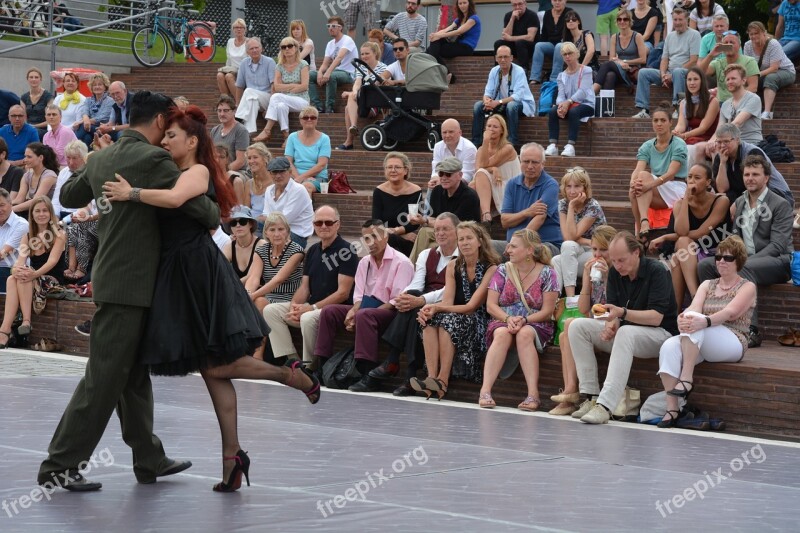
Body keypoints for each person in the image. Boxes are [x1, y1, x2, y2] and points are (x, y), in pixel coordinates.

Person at [100, 103, 319, 493]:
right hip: (177, 274)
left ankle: (291, 377)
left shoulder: (197, 170)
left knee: (217, 367)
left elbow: (172, 200)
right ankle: (232, 459)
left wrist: (129, 192)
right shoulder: (168, 169)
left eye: (171, 136)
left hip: (198, 273)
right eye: (163, 135)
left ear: (192, 140)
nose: (164, 140)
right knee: (211, 368)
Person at [37, 92, 219, 492]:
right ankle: (59, 466)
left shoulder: (104, 156)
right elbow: (206, 212)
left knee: (132, 374)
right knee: (102, 379)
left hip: (114, 278)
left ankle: (148, 458)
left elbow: (68, 197)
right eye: (166, 126)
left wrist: (95, 169)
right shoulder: (153, 161)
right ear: (157, 120)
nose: (167, 135)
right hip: (131, 286)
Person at [569, 231, 678, 424]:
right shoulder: (614, 273)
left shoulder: (657, 270)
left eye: (622, 260)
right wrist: (611, 326)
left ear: (636, 253)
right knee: (578, 326)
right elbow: (613, 312)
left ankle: (605, 406)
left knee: (626, 332)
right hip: (628, 334)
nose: (617, 266)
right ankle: (591, 397)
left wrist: (622, 314)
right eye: (614, 260)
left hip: (662, 336)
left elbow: (656, 318)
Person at [657, 235, 755, 427]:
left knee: (697, 321)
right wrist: (683, 317)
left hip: (733, 340)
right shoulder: (707, 285)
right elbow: (693, 308)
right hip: (704, 337)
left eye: (728, 258)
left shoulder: (747, 286)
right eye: (718, 257)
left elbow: (730, 312)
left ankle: (686, 378)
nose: (721, 262)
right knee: (669, 345)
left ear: (738, 261)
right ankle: (672, 408)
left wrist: (704, 321)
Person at [698, 154, 794, 348]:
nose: (750, 178)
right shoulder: (741, 202)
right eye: (747, 174)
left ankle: (752, 331)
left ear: (766, 177)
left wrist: (741, 262)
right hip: (748, 260)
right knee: (705, 266)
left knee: (744, 268)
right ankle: (713, 318)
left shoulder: (780, 205)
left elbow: (777, 246)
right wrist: (724, 254)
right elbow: (735, 240)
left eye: (755, 174)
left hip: (778, 262)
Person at [368, 213, 461, 395]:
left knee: (417, 306)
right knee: (412, 298)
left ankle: (394, 361)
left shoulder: (463, 257)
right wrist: (405, 298)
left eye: (445, 229)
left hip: (448, 302)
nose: (440, 233)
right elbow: (417, 284)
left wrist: (420, 300)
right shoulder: (427, 254)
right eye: (437, 230)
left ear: (457, 231)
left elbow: (452, 290)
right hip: (422, 300)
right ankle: (408, 374)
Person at [314, 219, 415, 377]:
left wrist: (361, 314)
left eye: (375, 237)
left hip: (391, 314)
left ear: (385, 237)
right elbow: (359, 294)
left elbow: (396, 301)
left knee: (364, 315)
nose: (371, 242)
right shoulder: (364, 262)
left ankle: (365, 371)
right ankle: (322, 365)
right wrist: (354, 311)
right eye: (367, 238)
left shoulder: (402, 262)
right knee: (328, 311)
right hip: (366, 310)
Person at [414, 221, 501, 397]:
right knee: (429, 320)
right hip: (455, 315)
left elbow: (471, 307)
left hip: (479, 320)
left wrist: (437, 307)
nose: (465, 242)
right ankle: (431, 378)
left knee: (447, 320)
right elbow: (447, 301)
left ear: (479, 241)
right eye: (461, 239)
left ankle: (443, 380)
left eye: (469, 238)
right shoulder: (453, 265)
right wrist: (430, 309)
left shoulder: (491, 268)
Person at [262, 205, 358, 364]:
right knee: (270, 310)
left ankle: (310, 365)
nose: (324, 226)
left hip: (334, 308)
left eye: (328, 222)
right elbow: (305, 287)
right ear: (313, 225)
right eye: (319, 223)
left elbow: (343, 293)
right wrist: (294, 307)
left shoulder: (347, 250)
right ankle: (292, 359)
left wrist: (311, 308)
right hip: (312, 305)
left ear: (337, 224)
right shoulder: (313, 250)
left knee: (307, 318)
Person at [478, 229, 559, 410]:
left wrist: (523, 319)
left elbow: (547, 311)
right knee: (501, 334)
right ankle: (485, 391)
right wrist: (508, 319)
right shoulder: (502, 270)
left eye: (514, 246)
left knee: (524, 334)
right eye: (509, 246)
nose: (508, 250)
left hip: (536, 321)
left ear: (530, 250)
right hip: (503, 318)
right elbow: (491, 306)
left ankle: (533, 395)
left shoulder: (548, 273)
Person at [549, 225, 616, 416]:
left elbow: (614, 307)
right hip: (594, 326)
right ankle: (571, 394)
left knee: (570, 325)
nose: (597, 254)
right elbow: (583, 309)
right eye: (594, 249)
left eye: (603, 249)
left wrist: (607, 278)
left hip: (614, 327)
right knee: (564, 336)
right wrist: (586, 278)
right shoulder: (593, 270)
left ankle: (575, 393)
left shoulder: (619, 271)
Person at [649, 163, 730, 310]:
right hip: (691, 250)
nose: (692, 181)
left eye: (697, 178)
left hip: (714, 249)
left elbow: (700, 233)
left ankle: (689, 302)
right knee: (680, 248)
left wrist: (666, 237)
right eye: (690, 177)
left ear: (708, 182)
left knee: (679, 251)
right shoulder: (680, 204)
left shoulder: (721, 201)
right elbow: (682, 231)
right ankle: (687, 304)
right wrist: (686, 199)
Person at [0, 196, 66, 347]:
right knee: (13, 278)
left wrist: (33, 274)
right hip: (32, 278)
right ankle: (10, 328)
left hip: (52, 280)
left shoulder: (59, 234)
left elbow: (52, 261)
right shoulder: (28, 236)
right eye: (37, 211)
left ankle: (19, 324)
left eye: (45, 210)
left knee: (23, 276)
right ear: (32, 214)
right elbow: (19, 262)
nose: (41, 214)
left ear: (50, 213)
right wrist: (16, 270)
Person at [629, 104, 689, 243]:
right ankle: (641, 234)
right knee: (634, 188)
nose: (659, 124)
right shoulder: (647, 145)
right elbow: (638, 169)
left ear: (670, 123)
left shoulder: (678, 144)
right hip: (657, 188)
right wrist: (633, 182)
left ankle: (643, 222)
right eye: (656, 120)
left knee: (643, 177)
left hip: (676, 187)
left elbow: (671, 174)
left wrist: (648, 185)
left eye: (663, 120)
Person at [408, 157, 481, 261]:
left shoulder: (469, 196)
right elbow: (434, 218)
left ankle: (412, 268)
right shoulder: (437, 191)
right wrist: (420, 220)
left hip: (464, 235)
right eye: (441, 174)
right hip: (443, 234)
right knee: (426, 235)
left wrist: (425, 220)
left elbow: (457, 226)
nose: (444, 177)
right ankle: (415, 269)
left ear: (460, 175)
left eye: (448, 174)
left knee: (426, 236)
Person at [632, 8, 700, 119]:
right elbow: (664, 59)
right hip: (668, 72)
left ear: (687, 20)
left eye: (680, 19)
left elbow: (693, 60)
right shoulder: (669, 36)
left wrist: (672, 75)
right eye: (675, 20)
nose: (677, 23)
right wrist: (663, 74)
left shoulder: (694, 34)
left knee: (677, 72)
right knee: (643, 72)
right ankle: (643, 109)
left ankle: (678, 108)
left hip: (685, 72)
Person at [551, 167, 606, 296]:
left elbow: (570, 236)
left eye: (577, 186)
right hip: (576, 249)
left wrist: (571, 206)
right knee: (556, 260)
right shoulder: (563, 204)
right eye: (568, 186)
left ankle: (570, 298)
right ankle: (556, 302)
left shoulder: (593, 206)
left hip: (595, 251)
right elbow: (568, 238)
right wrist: (570, 207)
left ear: (585, 188)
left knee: (565, 250)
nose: (572, 191)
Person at [710, 123, 794, 206]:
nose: (722, 146)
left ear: (737, 140)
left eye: (726, 141)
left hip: (778, 195)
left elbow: (757, 185)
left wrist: (731, 197)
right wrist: (722, 163)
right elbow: (722, 189)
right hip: (747, 195)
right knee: (720, 200)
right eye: (719, 142)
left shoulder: (752, 153)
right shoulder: (720, 157)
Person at [472, 46, 536, 149]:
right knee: (478, 106)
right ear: (496, 58)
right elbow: (487, 92)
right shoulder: (494, 71)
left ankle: (512, 143)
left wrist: (497, 102)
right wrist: (487, 102)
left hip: (521, 105)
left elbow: (517, 96)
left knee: (511, 106)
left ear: (511, 58)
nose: (503, 60)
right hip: (500, 105)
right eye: (500, 57)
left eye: (505, 57)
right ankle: (477, 143)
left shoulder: (519, 71)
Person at [246, 212, 305, 321]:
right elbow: (254, 277)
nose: (276, 234)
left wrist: (252, 296)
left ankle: (260, 337)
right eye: (272, 230)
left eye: (281, 229)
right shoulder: (261, 251)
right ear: (266, 233)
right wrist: (247, 293)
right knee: (251, 302)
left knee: (258, 301)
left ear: (287, 231)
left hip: (291, 298)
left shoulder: (296, 251)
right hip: (268, 296)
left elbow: (278, 279)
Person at [501, 143, 561, 246]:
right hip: (513, 245)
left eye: (535, 162)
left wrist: (517, 244)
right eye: (526, 161)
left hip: (544, 244)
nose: (530, 166)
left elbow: (539, 218)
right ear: (520, 162)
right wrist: (527, 212)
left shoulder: (551, 185)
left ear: (543, 164)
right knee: (487, 248)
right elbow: (505, 221)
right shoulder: (512, 184)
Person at [253, 37, 310, 147]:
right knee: (280, 106)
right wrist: (293, 85)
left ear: (296, 48)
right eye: (284, 47)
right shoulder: (279, 66)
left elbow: (304, 86)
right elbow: (277, 87)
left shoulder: (303, 64)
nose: (287, 49)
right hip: (285, 99)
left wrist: (285, 87)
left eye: (290, 46)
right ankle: (286, 136)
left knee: (276, 97)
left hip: (302, 100)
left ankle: (267, 129)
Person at [545, 42, 595, 158]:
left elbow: (582, 92)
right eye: (564, 54)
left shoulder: (586, 70)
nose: (567, 57)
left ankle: (571, 145)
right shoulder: (561, 75)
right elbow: (561, 95)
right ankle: (553, 145)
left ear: (576, 54)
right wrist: (561, 105)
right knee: (552, 111)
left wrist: (568, 102)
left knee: (574, 112)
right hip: (569, 104)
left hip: (586, 104)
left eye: (570, 53)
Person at [471, 115, 521, 227]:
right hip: (493, 184)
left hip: (509, 186)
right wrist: (493, 169)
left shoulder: (508, 148)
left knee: (476, 183)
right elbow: (478, 170)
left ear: (502, 130)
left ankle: (481, 221)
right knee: (473, 185)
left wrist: (485, 140)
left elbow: (483, 165)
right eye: (488, 126)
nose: (491, 129)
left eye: (495, 127)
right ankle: (484, 219)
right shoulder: (481, 150)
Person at [338, 41, 388, 150]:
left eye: (367, 53)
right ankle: (353, 127)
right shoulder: (361, 67)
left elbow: (376, 87)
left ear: (375, 53)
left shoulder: (383, 68)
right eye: (362, 54)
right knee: (351, 99)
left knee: (348, 107)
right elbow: (357, 83)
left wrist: (354, 93)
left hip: (375, 103)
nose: (364, 56)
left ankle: (349, 140)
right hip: (363, 101)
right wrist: (355, 92)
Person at [371, 151, 422, 257]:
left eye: (397, 167)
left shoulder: (416, 191)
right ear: (385, 170)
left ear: (405, 170)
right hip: (387, 237)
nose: (393, 170)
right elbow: (376, 222)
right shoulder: (379, 191)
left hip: (405, 239)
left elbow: (414, 221)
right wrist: (400, 234)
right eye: (389, 167)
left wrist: (396, 232)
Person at [744, 21, 796, 120]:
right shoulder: (747, 45)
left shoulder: (773, 43)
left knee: (770, 78)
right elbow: (748, 66)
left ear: (764, 32)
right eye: (751, 34)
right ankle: (746, 110)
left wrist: (756, 75)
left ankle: (767, 112)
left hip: (785, 71)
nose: (754, 36)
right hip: (762, 73)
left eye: (756, 33)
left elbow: (774, 68)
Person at [310, 17, 358, 114]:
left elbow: (339, 57)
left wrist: (328, 72)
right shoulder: (330, 44)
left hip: (348, 73)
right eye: (328, 26)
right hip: (335, 72)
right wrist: (320, 73)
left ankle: (329, 108)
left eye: (333, 26)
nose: (330, 28)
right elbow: (325, 63)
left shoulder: (347, 39)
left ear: (340, 28)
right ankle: (318, 106)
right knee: (310, 75)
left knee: (331, 76)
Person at [262, 156, 313, 248]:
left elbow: (284, 220)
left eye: (282, 171)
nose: (278, 175)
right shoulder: (269, 190)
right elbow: (266, 214)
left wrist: (266, 221)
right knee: (251, 226)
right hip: (275, 230)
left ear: (290, 172)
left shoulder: (298, 189)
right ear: (270, 174)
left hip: (296, 235)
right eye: (274, 172)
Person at [672, 66, 719, 165]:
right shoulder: (684, 103)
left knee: (688, 149)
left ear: (702, 81)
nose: (692, 83)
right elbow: (681, 125)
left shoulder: (712, 101)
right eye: (689, 80)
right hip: (690, 138)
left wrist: (684, 135)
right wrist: (675, 133)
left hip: (708, 139)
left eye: (695, 79)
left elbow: (703, 128)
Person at [592, 10, 648, 94]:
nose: (622, 21)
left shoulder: (637, 36)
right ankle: (606, 105)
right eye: (619, 19)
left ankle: (593, 91)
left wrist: (624, 61)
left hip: (632, 71)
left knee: (607, 64)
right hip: (619, 69)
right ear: (617, 22)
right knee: (610, 75)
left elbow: (643, 59)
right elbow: (612, 58)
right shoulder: (614, 37)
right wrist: (620, 62)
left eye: (625, 19)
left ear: (630, 21)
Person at [427, 0, 482, 83]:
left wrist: (438, 36)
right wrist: (435, 35)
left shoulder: (473, 18)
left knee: (431, 50)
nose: (462, 5)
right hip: (458, 45)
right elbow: (447, 29)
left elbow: (459, 31)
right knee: (434, 45)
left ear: (469, 4)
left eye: (464, 3)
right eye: (460, 3)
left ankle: (447, 74)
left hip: (466, 48)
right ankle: (448, 74)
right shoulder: (459, 19)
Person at [697, 30, 759, 103]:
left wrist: (734, 100)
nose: (729, 45)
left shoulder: (749, 61)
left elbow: (753, 87)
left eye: (732, 42)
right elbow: (700, 72)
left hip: (740, 102)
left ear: (739, 46)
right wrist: (711, 55)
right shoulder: (718, 62)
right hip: (720, 103)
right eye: (726, 43)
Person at [285, 106, 331, 195]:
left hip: (317, 177)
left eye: (313, 117)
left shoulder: (324, 138)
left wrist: (301, 178)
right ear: (300, 120)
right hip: (295, 176)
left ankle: (306, 209)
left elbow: (321, 164)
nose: (309, 119)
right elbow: (288, 162)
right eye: (306, 117)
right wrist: (298, 178)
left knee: (305, 187)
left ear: (317, 120)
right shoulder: (292, 137)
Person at [234, 38, 276, 134]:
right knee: (252, 100)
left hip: (267, 98)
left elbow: (274, 85)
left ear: (261, 49)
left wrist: (271, 108)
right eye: (251, 48)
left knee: (249, 91)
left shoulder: (270, 62)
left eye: (257, 47)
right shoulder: (244, 63)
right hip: (251, 98)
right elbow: (239, 86)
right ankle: (249, 132)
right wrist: (237, 104)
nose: (254, 50)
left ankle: (237, 119)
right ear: (247, 51)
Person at [528, 0, 574, 84]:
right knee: (539, 45)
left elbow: (572, 31)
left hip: (565, 44)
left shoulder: (569, 12)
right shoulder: (547, 13)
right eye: (555, 0)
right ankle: (534, 77)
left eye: (560, 0)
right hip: (551, 44)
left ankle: (554, 78)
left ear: (565, 1)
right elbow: (544, 33)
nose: (557, 3)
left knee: (559, 46)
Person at [717, 64, 763, 144]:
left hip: (751, 144)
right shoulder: (725, 104)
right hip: (730, 144)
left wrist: (721, 141)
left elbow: (737, 123)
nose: (730, 82)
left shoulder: (753, 99)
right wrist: (711, 143)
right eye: (727, 79)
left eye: (733, 78)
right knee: (700, 148)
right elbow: (720, 129)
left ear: (744, 80)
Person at [13, 142, 59, 217]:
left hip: (46, 213)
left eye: (29, 157)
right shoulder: (26, 175)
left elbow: (36, 201)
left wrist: (11, 210)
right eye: (25, 156)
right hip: (33, 211)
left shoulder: (49, 175)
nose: (25, 160)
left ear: (41, 157)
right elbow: (19, 199)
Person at [550, 10, 598, 81]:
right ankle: (554, 80)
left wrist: (581, 68)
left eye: (574, 19)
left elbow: (591, 51)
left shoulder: (587, 34)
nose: (571, 21)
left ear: (578, 22)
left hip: (590, 68)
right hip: (574, 71)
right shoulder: (567, 39)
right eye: (568, 20)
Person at [222, 205, 265, 283]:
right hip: (237, 291)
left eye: (243, 222)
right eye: (233, 223)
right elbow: (219, 269)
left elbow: (252, 276)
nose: (238, 225)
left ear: (250, 224)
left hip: (258, 291)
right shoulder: (229, 247)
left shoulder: (261, 245)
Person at [429, 118, 477, 184]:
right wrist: (435, 179)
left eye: (451, 132)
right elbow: (436, 170)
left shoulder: (469, 148)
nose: (447, 135)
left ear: (460, 133)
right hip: (442, 182)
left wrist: (449, 183)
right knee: (432, 185)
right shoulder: (438, 146)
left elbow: (467, 176)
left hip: (463, 185)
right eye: (444, 132)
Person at [495, 0, 539, 70]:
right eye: (514, 5)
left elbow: (530, 37)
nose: (517, 7)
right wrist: (512, 19)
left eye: (520, 4)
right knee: (498, 43)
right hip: (515, 47)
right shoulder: (508, 15)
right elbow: (505, 36)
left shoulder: (532, 15)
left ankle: (524, 69)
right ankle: (498, 69)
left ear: (525, 4)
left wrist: (511, 38)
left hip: (529, 47)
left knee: (520, 42)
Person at [210, 95, 249, 174]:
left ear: (234, 111)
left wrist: (222, 172)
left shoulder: (241, 130)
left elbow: (240, 161)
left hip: (237, 172)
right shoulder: (214, 130)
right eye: (219, 111)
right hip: (217, 171)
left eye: (226, 110)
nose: (222, 114)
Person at [0, 188, 28, 291]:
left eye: (2, 205)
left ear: (10, 204)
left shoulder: (21, 225)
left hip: (11, 271)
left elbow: (3, 254)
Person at [75, 73, 114, 147]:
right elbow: (84, 112)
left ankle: (72, 143)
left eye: (100, 84)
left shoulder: (110, 101)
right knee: (87, 138)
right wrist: (86, 119)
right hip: (89, 128)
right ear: (91, 87)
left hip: (102, 129)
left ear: (105, 87)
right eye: (94, 85)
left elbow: (103, 117)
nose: (97, 87)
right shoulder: (88, 100)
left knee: (83, 126)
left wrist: (86, 121)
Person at [217, 18, 248, 98]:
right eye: (236, 27)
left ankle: (238, 102)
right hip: (232, 69)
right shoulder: (230, 41)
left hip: (243, 71)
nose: (238, 29)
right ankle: (226, 101)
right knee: (220, 75)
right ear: (233, 30)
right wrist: (226, 69)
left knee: (228, 76)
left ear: (245, 29)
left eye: (241, 27)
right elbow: (229, 59)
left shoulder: (248, 42)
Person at [20, 67, 53, 139]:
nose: (33, 79)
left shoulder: (48, 96)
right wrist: (27, 126)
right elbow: (23, 116)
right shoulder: (24, 97)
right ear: (27, 79)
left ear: (40, 79)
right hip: (27, 128)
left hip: (43, 129)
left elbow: (50, 119)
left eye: (36, 77)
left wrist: (33, 126)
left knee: (32, 133)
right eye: (31, 77)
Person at [246, 142, 273, 229]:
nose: (251, 161)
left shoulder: (275, 182)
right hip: (252, 225)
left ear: (265, 159)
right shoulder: (249, 183)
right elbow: (246, 211)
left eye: (255, 157)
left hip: (269, 224)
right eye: (249, 158)